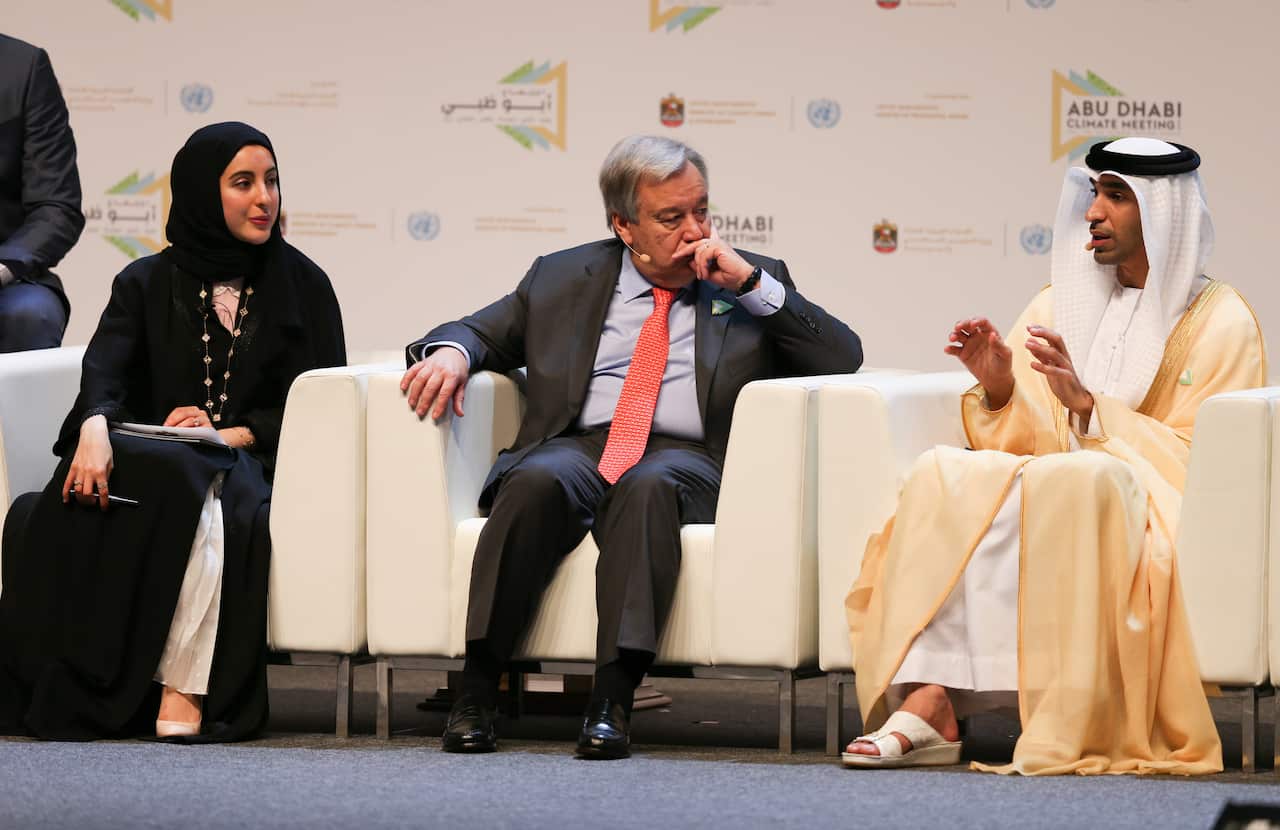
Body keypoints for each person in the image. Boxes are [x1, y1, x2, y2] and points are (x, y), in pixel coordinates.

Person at [403, 134, 863, 759]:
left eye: (701, 210)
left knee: (648, 487)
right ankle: (477, 693)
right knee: (535, 480)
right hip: (584, 446)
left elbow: (841, 355)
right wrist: (453, 354)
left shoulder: (749, 280)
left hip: (689, 455)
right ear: (624, 226)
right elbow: (478, 330)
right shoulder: (562, 276)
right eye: (671, 218)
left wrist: (750, 284)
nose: (695, 230)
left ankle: (611, 701)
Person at [843, 138, 1265, 775]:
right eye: (1094, 193)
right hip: (1060, 485)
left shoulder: (1221, 322)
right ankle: (931, 697)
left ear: (1164, 212)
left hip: (1147, 507)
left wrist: (1090, 409)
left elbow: (1207, 467)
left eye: (1116, 196)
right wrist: (1000, 388)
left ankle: (995, 708)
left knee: (1077, 480)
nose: (1093, 212)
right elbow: (1023, 444)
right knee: (947, 471)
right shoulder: (1056, 303)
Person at [0, 122, 346, 741]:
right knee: (141, 477)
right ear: (201, 192)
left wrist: (228, 435)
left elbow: (319, 405)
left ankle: (184, 682)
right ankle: (103, 686)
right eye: (243, 183)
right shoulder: (144, 282)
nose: (264, 198)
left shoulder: (306, 287)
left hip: (257, 464)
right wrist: (94, 427)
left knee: (205, 484)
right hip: (153, 459)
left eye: (271, 181)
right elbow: (103, 376)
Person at [0, 34, 84, 352]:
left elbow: (56, 205)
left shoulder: (23, 67)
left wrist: (4, 268)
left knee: (32, 313)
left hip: (6, 272)